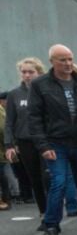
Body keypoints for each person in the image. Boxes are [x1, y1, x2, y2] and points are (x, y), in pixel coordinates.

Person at [27, 45, 77, 235]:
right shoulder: (40, 85)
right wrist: (43, 146)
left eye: (70, 59)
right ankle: (51, 226)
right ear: (52, 61)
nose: (67, 63)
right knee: (58, 182)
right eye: (62, 60)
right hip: (55, 142)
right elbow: (34, 118)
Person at [5, 58, 49, 214]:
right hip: (25, 141)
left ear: (39, 73)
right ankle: (44, 212)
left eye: (31, 72)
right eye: (24, 72)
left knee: (47, 177)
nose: (27, 75)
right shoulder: (14, 94)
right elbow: (9, 121)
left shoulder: (45, 91)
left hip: (45, 140)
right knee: (35, 178)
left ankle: (53, 209)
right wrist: (9, 145)